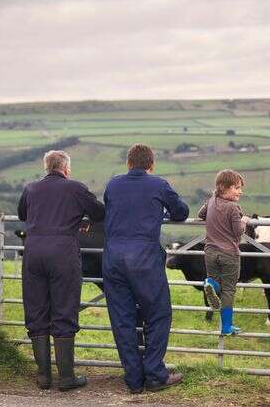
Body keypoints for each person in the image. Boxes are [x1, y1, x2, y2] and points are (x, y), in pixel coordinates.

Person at [102, 143, 189, 394]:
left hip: (113, 257)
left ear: (128, 164)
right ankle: (154, 374)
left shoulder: (113, 184)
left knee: (122, 319)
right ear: (151, 165)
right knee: (159, 314)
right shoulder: (158, 184)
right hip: (144, 259)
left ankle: (133, 379)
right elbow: (181, 212)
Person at [17, 150, 104, 391]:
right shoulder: (75, 188)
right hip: (62, 253)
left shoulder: (31, 188)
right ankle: (66, 377)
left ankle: (43, 376)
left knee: (36, 311)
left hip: (33, 252)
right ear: (66, 169)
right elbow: (99, 212)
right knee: (64, 309)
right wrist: (80, 220)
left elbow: (23, 215)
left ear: (46, 168)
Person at [197, 169, 250, 335]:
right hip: (229, 254)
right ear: (224, 187)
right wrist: (244, 220)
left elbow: (200, 214)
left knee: (216, 282)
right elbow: (238, 232)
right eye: (236, 187)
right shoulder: (233, 208)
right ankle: (226, 327)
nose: (240, 191)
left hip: (210, 252)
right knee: (228, 290)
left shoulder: (212, 200)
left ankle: (210, 283)